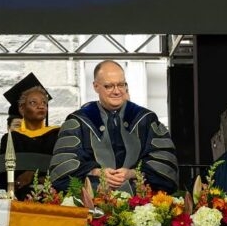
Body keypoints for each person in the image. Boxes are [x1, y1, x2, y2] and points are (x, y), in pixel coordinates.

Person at [49, 60, 178, 193]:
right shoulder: (79, 122)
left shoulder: (146, 119)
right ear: (95, 86)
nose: (117, 91)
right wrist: (96, 172)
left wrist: (132, 173)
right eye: (109, 86)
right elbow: (62, 172)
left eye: (121, 85)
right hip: (93, 204)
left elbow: (166, 169)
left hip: (140, 202)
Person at [0, 73, 60, 198]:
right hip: (19, 198)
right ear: (21, 108)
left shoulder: (56, 135)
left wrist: (31, 173)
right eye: (33, 103)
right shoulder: (11, 138)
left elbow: (60, 167)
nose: (41, 106)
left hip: (51, 197)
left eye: (44, 103)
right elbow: (8, 176)